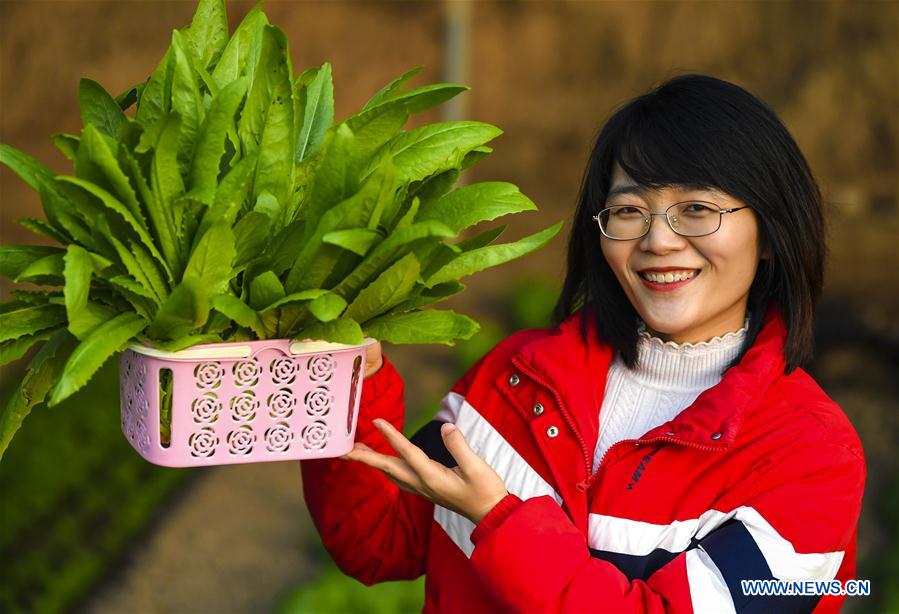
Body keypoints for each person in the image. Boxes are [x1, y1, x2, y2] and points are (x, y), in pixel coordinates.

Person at [300, 74, 865, 613]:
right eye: (628, 211)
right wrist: (348, 385)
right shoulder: (517, 378)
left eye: (697, 209)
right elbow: (376, 541)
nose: (658, 240)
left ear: (770, 232)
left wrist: (501, 520)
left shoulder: (811, 459)